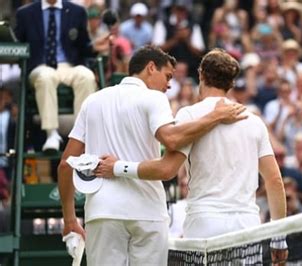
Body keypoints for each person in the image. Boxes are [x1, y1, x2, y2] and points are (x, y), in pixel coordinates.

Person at [96, 48, 288, 264]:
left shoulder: (188, 115)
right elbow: (274, 180)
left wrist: (117, 167)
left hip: (204, 225)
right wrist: (279, 239)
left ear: (201, 76)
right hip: (247, 226)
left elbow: (167, 169)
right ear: (231, 83)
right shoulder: (253, 122)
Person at [58, 45, 246, 265]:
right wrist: (214, 116)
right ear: (150, 68)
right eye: (167, 76)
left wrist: (70, 220)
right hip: (147, 213)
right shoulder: (154, 98)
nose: (169, 85)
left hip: (102, 211)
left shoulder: (92, 101)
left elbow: (65, 165)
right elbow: (172, 140)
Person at [15, 0, 108, 152]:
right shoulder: (25, 13)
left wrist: (94, 47)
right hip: (40, 66)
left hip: (68, 65)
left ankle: (82, 134)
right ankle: (52, 134)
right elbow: (17, 44)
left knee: (86, 75)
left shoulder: (77, 11)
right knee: (46, 76)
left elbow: (83, 47)